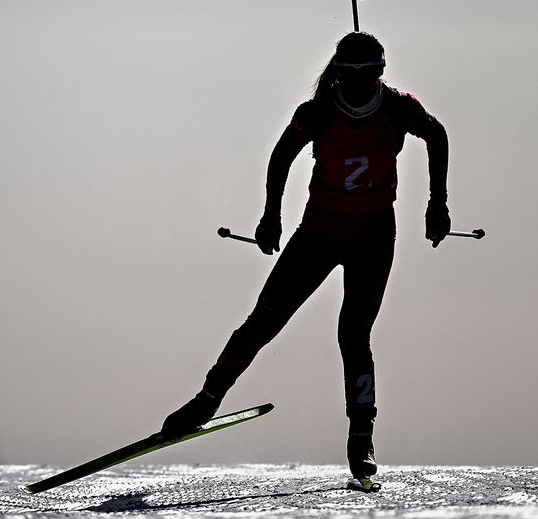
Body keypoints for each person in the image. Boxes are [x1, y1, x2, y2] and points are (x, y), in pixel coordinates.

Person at [161, 32, 450, 482]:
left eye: (371, 75)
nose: (361, 84)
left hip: (372, 241)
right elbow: (281, 155)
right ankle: (206, 401)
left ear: (380, 73)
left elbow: (437, 134)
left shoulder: (398, 108)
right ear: (338, 74)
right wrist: (270, 215)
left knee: (353, 335)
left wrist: (438, 203)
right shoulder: (317, 114)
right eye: (352, 76)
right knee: (262, 323)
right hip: (318, 235)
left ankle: (361, 436)